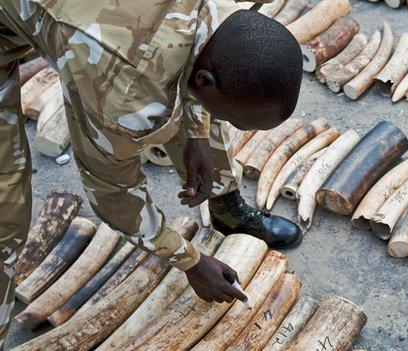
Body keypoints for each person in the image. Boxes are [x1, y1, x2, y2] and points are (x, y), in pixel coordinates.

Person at [0, 0, 303, 346]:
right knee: (4, 216)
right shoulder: (124, 98)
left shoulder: (225, 15)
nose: (229, 124)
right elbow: (114, 194)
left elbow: (196, 55)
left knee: (200, 102)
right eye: (234, 119)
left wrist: (198, 132)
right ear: (204, 80)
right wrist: (189, 260)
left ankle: (226, 211)